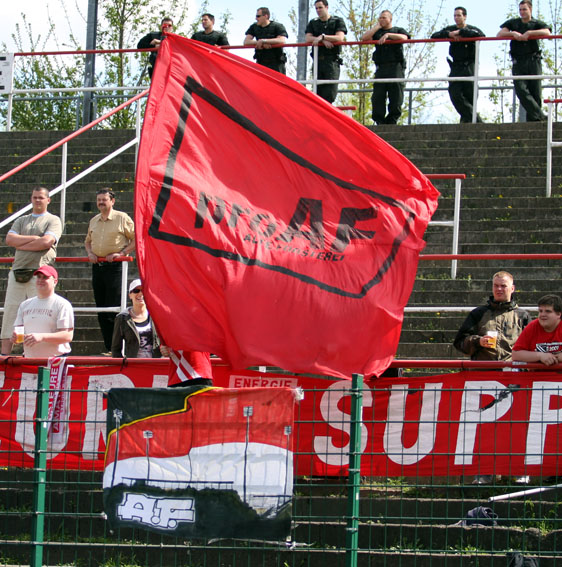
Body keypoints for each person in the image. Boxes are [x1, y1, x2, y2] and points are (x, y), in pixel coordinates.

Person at [453, 270, 531, 485]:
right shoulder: (478, 314)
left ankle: (518, 470)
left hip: (515, 378)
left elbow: (532, 345)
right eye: (496, 285)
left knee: (516, 425)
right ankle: (484, 471)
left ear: (512, 288)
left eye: (503, 286)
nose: (499, 289)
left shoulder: (523, 316)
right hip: (483, 378)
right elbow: (459, 342)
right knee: (484, 426)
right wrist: (477, 341)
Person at [1, 187, 62, 356]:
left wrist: (21, 245)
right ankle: (4, 357)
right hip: (17, 271)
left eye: (41, 197)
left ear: (48, 200)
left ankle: (38, 356)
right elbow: (9, 239)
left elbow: (46, 242)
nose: (37, 200)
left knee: (40, 314)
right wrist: (35, 239)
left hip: (40, 272)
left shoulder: (53, 220)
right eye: (35, 197)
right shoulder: (21, 220)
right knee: (10, 314)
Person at [84, 188, 135, 354]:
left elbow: (136, 239)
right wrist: (90, 253)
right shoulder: (94, 220)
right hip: (98, 268)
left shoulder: (122, 218)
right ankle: (109, 348)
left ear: (112, 201)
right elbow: (87, 241)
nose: (101, 202)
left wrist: (122, 253)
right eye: (98, 200)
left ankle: (118, 349)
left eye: (104, 200)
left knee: (114, 308)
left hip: (115, 268)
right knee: (101, 309)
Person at [497, 0, 551, 122]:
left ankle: (535, 121)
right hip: (518, 61)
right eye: (520, 9)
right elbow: (500, 34)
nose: (522, 12)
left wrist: (530, 33)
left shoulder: (536, 23)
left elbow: (547, 32)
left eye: (524, 9)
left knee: (535, 92)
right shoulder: (513, 23)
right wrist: (513, 34)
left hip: (533, 60)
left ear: (530, 9)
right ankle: (541, 116)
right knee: (521, 89)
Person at [431, 7, 485, 123]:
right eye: (455, 15)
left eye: (459, 15)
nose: (456, 18)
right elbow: (434, 36)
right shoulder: (450, 29)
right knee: (454, 93)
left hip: (469, 65)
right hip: (456, 65)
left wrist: (461, 32)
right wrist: (449, 34)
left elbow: (481, 35)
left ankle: (467, 122)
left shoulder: (471, 29)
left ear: (465, 17)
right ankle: (478, 121)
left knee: (470, 95)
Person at [12, 265, 74, 358]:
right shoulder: (24, 305)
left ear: (55, 282)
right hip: (29, 360)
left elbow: (67, 336)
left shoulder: (62, 304)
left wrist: (41, 337)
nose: (40, 280)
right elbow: (18, 333)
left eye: (45, 277)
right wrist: (15, 338)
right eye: (39, 277)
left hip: (55, 360)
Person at [361, 11, 410, 125]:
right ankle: (379, 120)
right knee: (378, 95)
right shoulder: (377, 32)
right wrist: (376, 27)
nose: (381, 20)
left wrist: (388, 35)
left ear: (390, 19)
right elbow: (364, 38)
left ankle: (392, 120)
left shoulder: (398, 30)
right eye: (380, 18)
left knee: (396, 95)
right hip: (381, 67)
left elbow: (405, 37)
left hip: (396, 67)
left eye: (384, 18)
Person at [111, 279, 167, 358]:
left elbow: (167, 341)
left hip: (155, 363)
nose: (140, 293)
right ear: (130, 295)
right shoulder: (122, 318)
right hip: (133, 364)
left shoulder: (156, 315)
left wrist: (166, 350)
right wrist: (124, 364)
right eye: (136, 291)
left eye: (144, 290)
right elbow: (115, 349)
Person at [305, 0, 347, 104]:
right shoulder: (313, 22)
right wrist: (322, 40)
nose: (318, 10)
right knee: (317, 93)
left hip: (331, 61)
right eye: (316, 8)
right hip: (317, 62)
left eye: (320, 7)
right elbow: (308, 38)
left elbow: (340, 37)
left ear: (326, 7)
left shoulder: (337, 21)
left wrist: (323, 36)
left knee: (330, 93)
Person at [513, 294, 562, 365]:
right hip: (537, 372)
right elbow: (515, 354)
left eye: (548, 311)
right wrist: (539, 356)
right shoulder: (532, 326)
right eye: (540, 311)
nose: (542, 315)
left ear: (559, 314)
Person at [244, 7, 288, 74]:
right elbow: (246, 42)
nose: (256, 18)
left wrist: (264, 41)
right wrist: (260, 43)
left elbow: (282, 40)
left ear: (266, 16)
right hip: (261, 62)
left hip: (276, 63)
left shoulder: (278, 26)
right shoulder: (254, 27)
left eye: (258, 16)